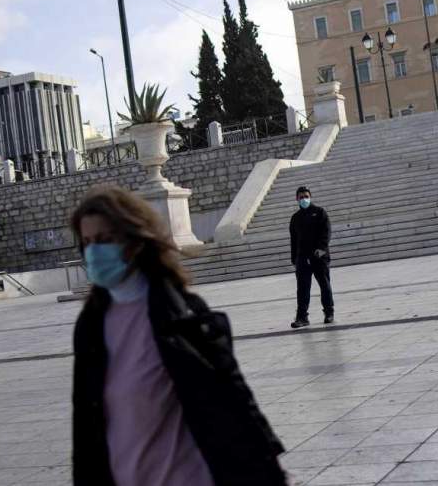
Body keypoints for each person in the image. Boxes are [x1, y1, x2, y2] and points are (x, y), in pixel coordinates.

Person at [70, 185, 286, 486]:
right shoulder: (91, 325)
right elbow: (85, 424)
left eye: (105, 240)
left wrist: (267, 471)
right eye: (87, 242)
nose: (95, 251)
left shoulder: (181, 314)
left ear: (134, 241)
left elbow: (232, 399)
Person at [290, 186, 335, 329]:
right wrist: (294, 259)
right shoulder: (295, 218)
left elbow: (326, 232)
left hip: (319, 256)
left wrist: (321, 250)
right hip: (302, 258)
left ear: (310, 197)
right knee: (302, 289)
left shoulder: (319, 212)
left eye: (306, 196)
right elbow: (294, 240)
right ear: (297, 199)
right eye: (301, 197)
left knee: (324, 285)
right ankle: (302, 317)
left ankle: (329, 312)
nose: (304, 199)